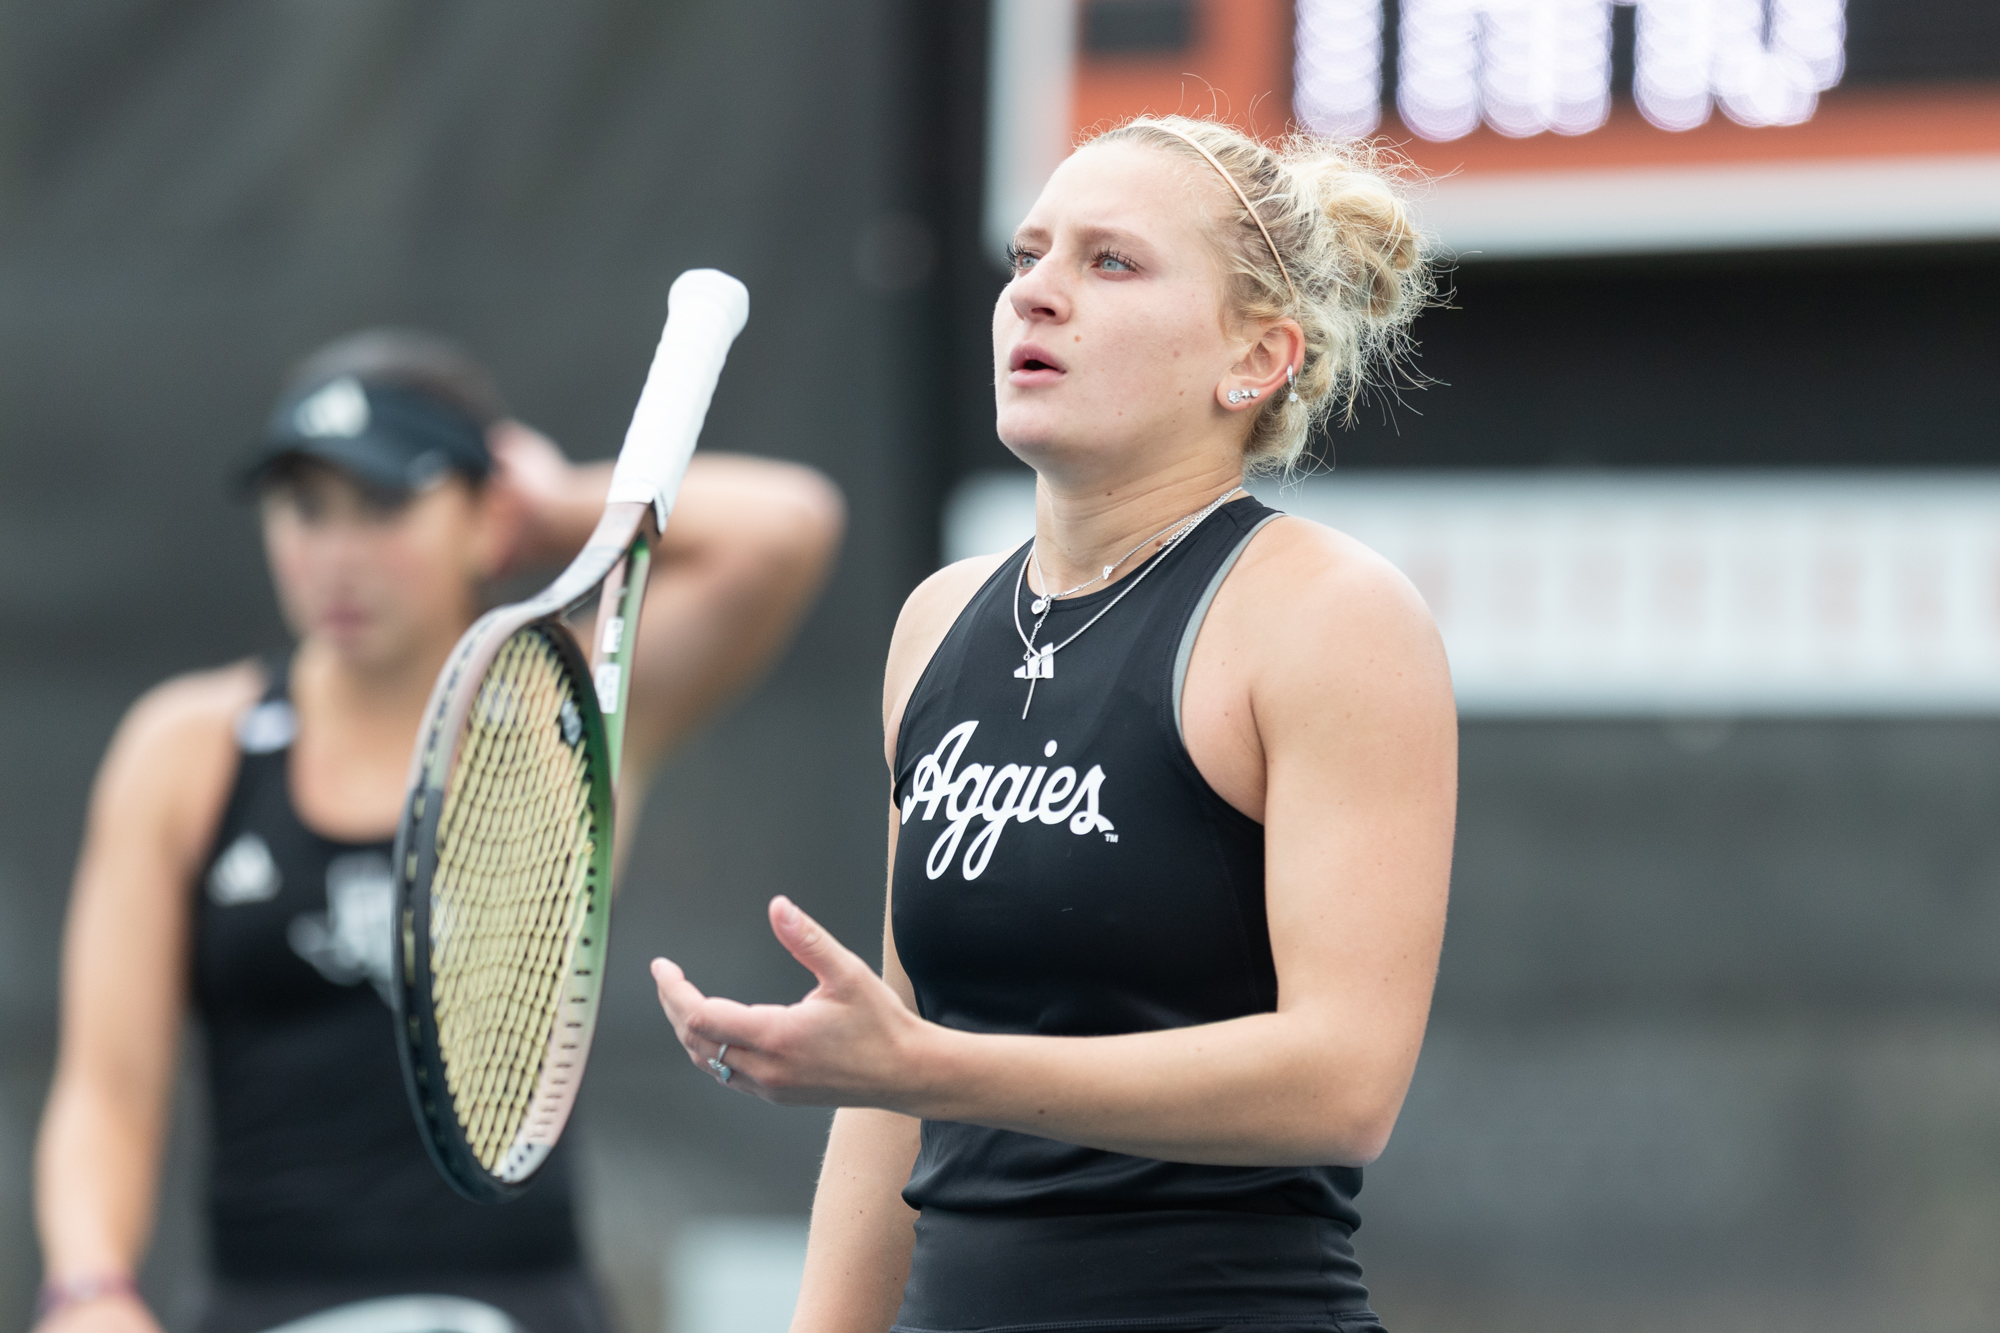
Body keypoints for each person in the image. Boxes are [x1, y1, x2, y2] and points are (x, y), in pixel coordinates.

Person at [652, 113, 1456, 1333]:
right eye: (1027, 256)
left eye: (1108, 262)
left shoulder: (1327, 614)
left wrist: (926, 1068)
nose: (1034, 295)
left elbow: (1340, 1084)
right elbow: (892, 1071)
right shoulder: (939, 620)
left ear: (1255, 359)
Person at [34, 329, 845, 1333]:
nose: (334, 554)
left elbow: (788, 525)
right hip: (258, 1305)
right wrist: (88, 1286)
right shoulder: (186, 747)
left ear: (480, 515)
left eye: (383, 505)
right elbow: (107, 1089)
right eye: (304, 508)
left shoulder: (564, 724)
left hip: (516, 1304)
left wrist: (550, 509)